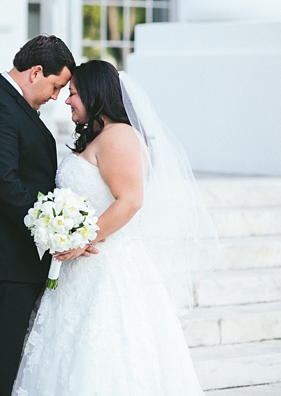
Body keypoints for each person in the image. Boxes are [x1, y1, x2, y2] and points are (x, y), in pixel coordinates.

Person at [11, 60, 220, 395]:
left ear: (95, 94)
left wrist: (82, 238)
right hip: (80, 270)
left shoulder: (119, 136)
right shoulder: (100, 136)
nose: (67, 100)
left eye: (75, 93)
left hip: (108, 268)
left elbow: (131, 200)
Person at [0, 35, 84, 396]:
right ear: (36, 72)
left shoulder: (10, 103)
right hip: (3, 258)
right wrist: (62, 229)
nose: (57, 96)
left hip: (15, 257)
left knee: (6, 359)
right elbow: (4, 187)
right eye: (56, 86)